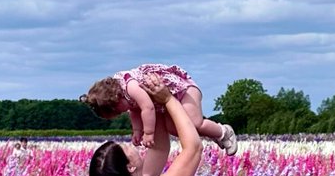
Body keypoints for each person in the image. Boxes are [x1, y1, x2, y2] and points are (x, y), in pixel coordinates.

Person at [80, 62, 237, 168]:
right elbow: (134, 111)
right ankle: (214, 135)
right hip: (170, 99)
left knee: (195, 123)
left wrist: (148, 133)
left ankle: (223, 132)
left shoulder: (131, 87)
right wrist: (137, 132)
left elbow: (147, 108)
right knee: (174, 129)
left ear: (115, 99)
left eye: (117, 111)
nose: (120, 113)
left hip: (184, 91)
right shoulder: (124, 96)